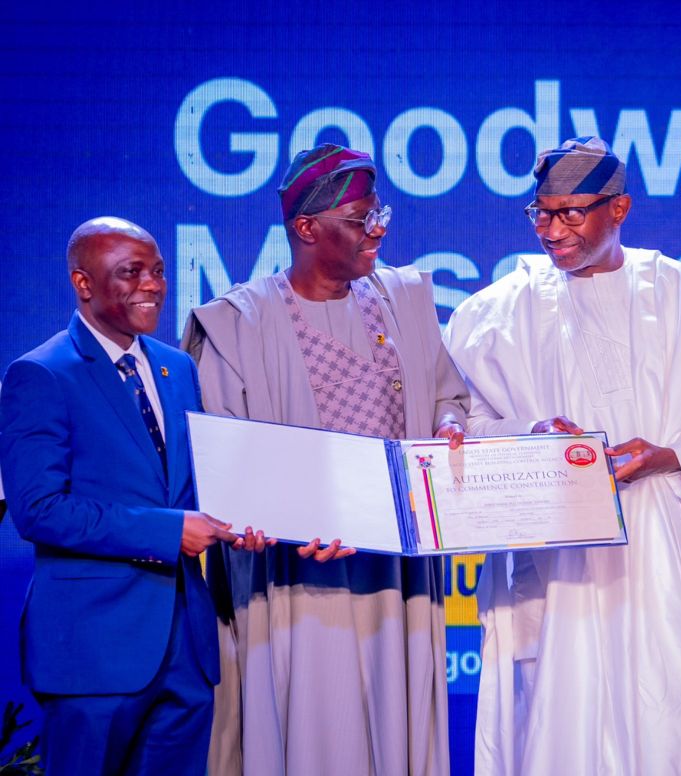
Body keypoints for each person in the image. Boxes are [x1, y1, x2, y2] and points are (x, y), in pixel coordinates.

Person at [444, 137, 681, 775]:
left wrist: (666, 454)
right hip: (561, 555)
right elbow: (469, 424)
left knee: (679, 720)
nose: (553, 230)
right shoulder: (499, 312)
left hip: (669, 549)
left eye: (571, 214)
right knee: (561, 717)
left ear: (620, 209)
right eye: (542, 213)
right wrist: (534, 432)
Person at [181, 143, 468, 775]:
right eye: (362, 219)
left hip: (395, 575)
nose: (379, 229)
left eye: (378, 212)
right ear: (307, 229)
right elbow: (222, 464)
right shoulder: (238, 324)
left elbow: (449, 394)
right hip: (296, 576)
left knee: (397, 728)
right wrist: (264, 520)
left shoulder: (404, 300)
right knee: (312, 730)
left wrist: (449, 424)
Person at [0, 217, 249, 775]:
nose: (153, 285)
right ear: (83, 283)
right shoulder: (40, 375)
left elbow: (198, 483)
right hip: (93, 652)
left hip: (185, 650)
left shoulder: (178, 367)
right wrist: (168, 531)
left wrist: (251, 518)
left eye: (158, 271)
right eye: (131, 272)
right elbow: (39, 510)